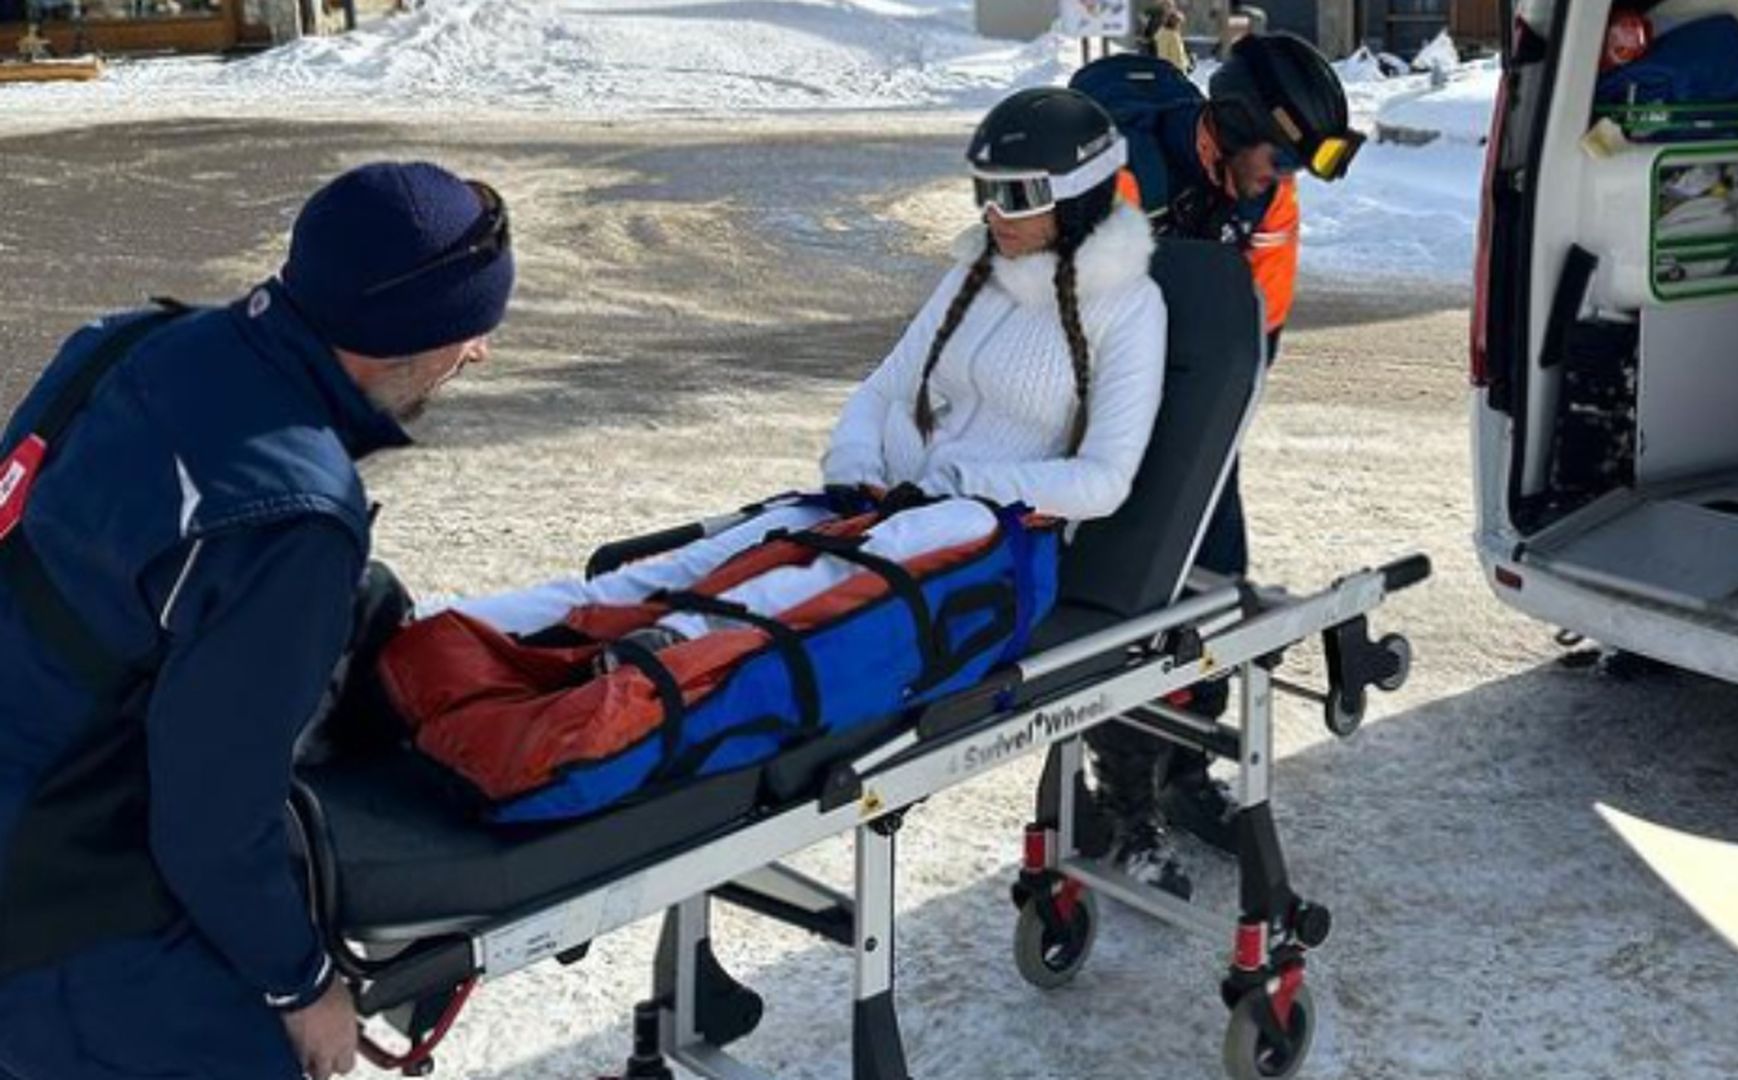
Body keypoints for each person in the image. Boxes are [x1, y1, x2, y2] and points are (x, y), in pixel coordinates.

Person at [0, 161, 515, 1080]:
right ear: (401, 337)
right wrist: (302, 984)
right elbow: (210, 821)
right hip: (65, 905)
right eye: (467, 330)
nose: (476, 353)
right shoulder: (289, 518)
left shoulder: (125, 343)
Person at [435, 88, 1168, 711]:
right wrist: (855, 463)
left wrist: (958, 488)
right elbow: (888, 385)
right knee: (700, 558)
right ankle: (454, 631)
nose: (991, 214)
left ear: (1079, 197)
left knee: (836, 573)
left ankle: (669, 654)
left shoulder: (1129, 309)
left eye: (1015, 195)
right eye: (983, 191)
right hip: (880, 502)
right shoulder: (977, 273)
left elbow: (1102, 481)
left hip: (982, 539)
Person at [1072, 33, 1362, 898]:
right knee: (1126, 606)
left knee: (1216, 579)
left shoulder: (1267, 194)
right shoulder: (1128, 182)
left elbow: (1259, 326)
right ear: (1232, 124)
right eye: (1278, 156)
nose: (1283, 178)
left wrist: (1212, 432)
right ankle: (1124, 810)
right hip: (1099, 413)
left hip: (1197, 405)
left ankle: (1185, 769)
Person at [1140, 1, 1193, 73]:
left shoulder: (1172, 33)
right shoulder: (1164, 29)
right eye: (1167, 6)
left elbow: (1178, 52)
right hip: (1166, 68)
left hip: (1169, 67)